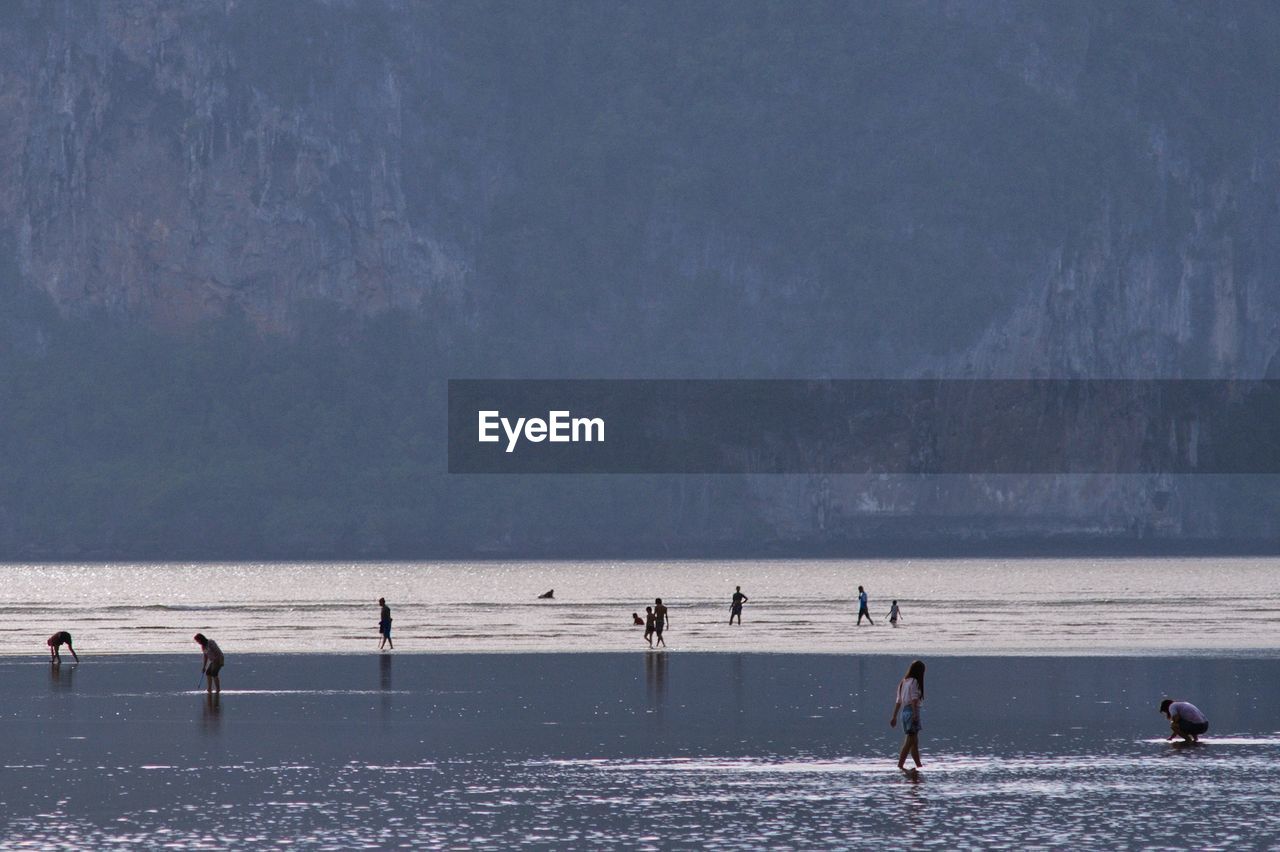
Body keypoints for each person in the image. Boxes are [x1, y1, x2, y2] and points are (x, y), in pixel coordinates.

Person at [890, 659, 926, 771]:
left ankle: (919, 766)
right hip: (912, 711)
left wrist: (894, 717)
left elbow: (898, 701)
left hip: (904, 712)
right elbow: (914, 700)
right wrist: (915, 715)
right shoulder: (914, 682)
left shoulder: (903, 682)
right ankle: (900, 765)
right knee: (909, 741)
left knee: (914, 742)